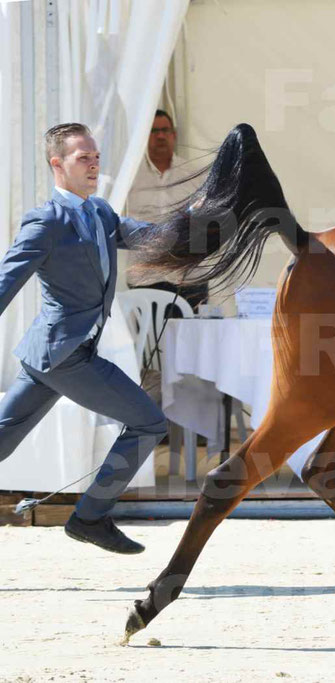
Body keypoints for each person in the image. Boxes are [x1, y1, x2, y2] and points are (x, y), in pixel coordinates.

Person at [0, 123, 167, 553]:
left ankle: (91, 518)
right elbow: (7, 279)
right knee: (148, 422)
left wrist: (203, 223)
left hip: (50, 357)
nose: (94, 164)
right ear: (57, 165)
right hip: (65, 357)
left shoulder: (100, 212)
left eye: (95, 156)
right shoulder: (46, 221)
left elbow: (149, 237)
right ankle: (90, 517)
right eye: (82, 158)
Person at [125, 110, 207, 309]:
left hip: (188, 277)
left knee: (191, 339)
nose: (160, 136)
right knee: (150, 340)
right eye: (153, 131)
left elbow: (209, 220)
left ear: (174, 134)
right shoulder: (130, 176)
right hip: (146, 278)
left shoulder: (194, 174)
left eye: (165, 130)